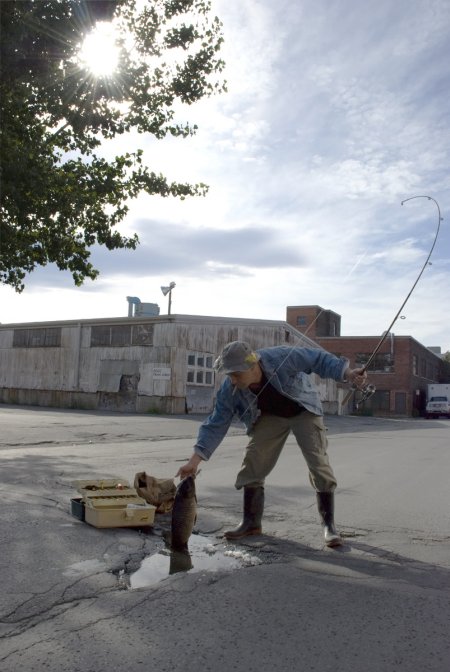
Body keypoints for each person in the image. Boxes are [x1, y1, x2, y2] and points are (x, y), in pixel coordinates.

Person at [177, 340, 367, 547]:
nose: (232, 380)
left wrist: (347, 373)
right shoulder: (229, 389)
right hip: (269, 416)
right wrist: (194, 462)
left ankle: (329, 525)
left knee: (318, 462)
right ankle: (251, 523)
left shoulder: (281, 357)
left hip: (303, 409)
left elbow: (318, 359)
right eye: (229, 375)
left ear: (253, 366)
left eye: (236, 375)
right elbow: (216, 423)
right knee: (253, 461)